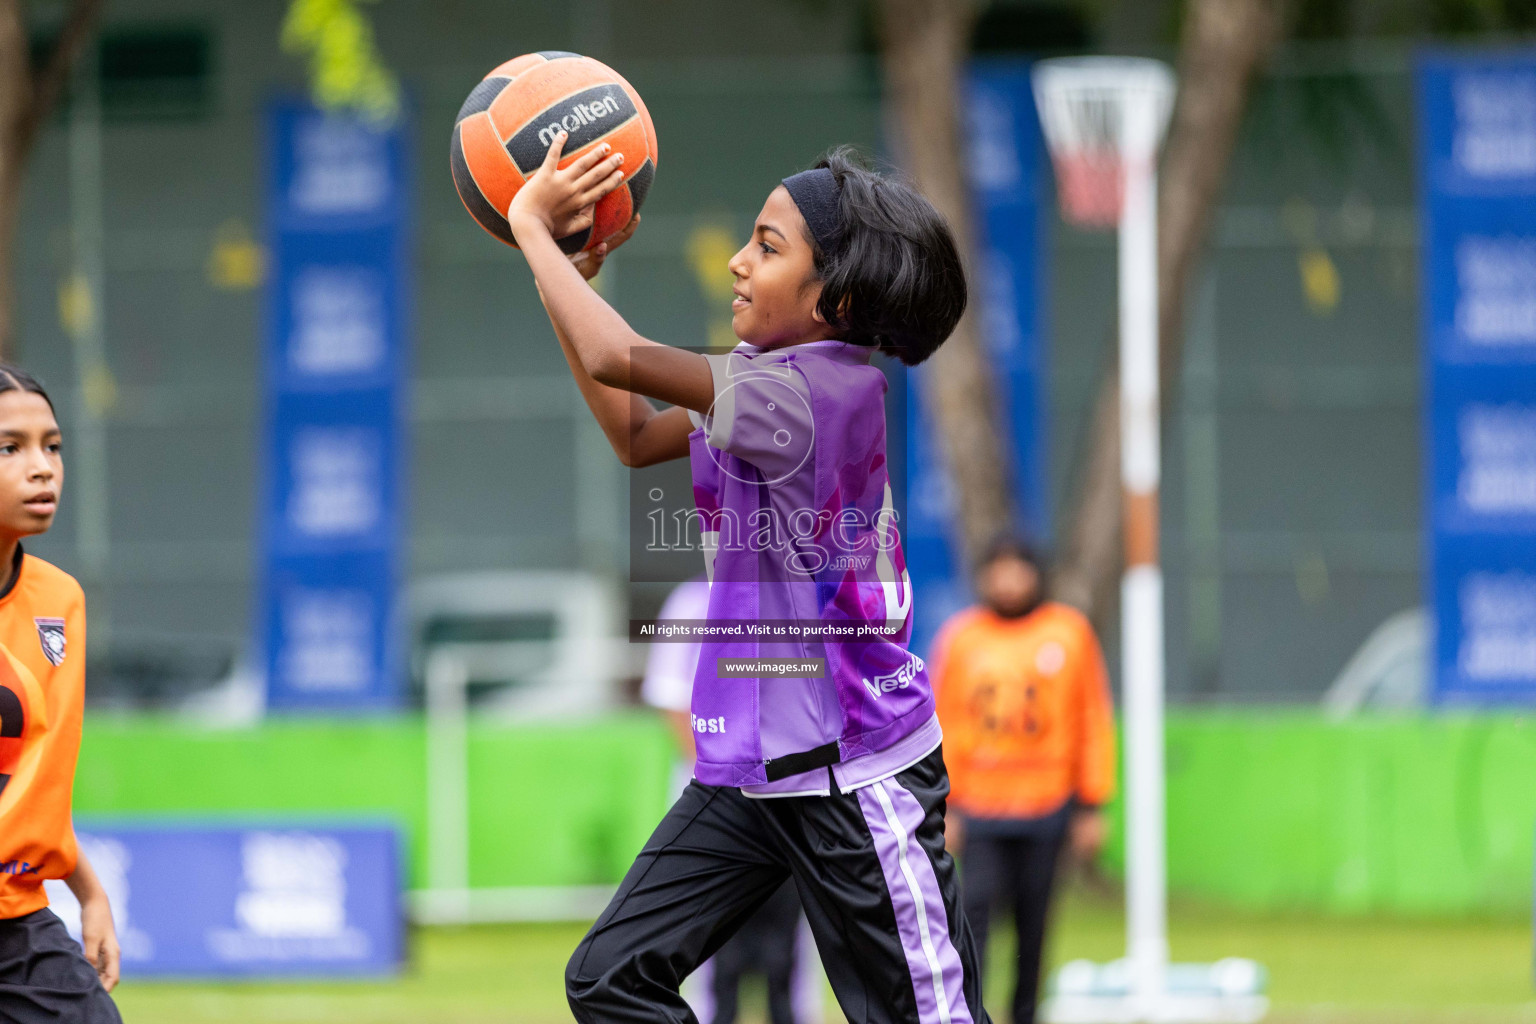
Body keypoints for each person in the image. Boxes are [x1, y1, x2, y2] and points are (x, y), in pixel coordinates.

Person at [507, 136, 986, 1023]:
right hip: (755, 771)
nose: (737, 259)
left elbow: (620, 358)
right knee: (611, 977)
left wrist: (534, 232)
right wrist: (559, 272)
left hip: (854, 778)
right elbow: (634, 433)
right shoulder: (769, 387)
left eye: (768, 246)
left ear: (832, 300)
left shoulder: (813, 396)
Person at [931, 537, 1116, 1024]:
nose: (1008, 582)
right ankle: (970, 1013)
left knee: (1034, 926)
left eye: (1018, 570)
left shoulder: (1068, 634)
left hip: (1047, 806)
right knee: (973, 921)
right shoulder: (962, 638)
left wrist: (1091, 804)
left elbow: (1091, 720)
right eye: (999, 570)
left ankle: (1026, 1014)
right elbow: (944, 725)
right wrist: (942, 807)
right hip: (982, 810)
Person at [641, 576, 822, 1024]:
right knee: (716, 944)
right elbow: (672, 699)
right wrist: (724, 778)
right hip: (717, 798)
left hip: (788, 793)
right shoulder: (691, 601)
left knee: (787, 946)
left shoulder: (797, 595)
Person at [0, 365, 122, 1023]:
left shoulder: (59, 600)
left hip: (18, 925)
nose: (42, 467)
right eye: (8, 448)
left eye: (52, 446)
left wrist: (89, 893)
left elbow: (32, 784)